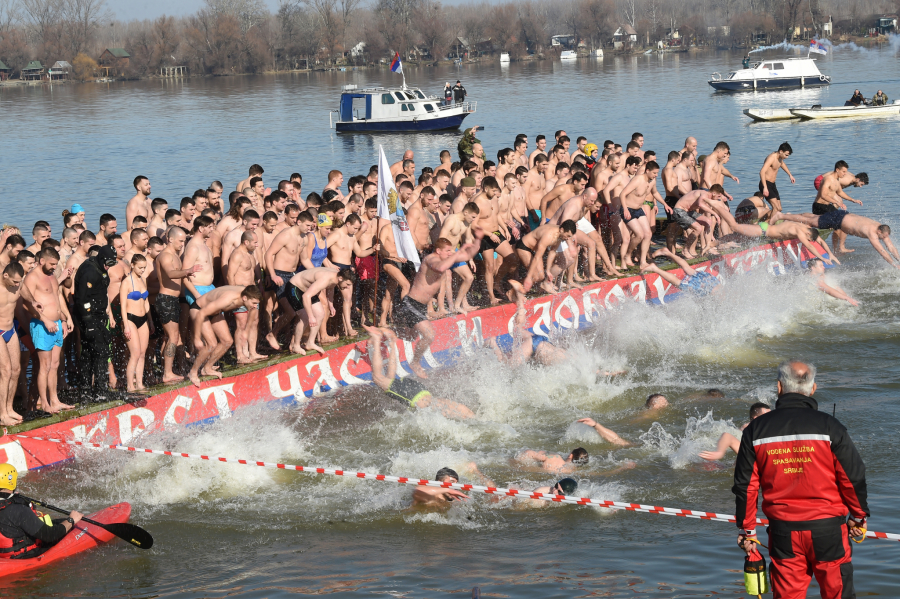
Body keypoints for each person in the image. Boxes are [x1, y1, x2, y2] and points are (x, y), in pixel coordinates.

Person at [734, 360, 868, 599]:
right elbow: (852, 477)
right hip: (829, 531)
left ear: (779, 387)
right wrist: (858, 517)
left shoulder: (755, 430)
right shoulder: (830, 426)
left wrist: (748, 530)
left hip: (783, 533)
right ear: (813, 388)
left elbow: (746, 486)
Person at [392, 234, 482, 379]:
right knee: (429, 334)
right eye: (448, 251)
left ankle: (386, 332)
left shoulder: (445, 259)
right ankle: (415, 362)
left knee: (411, 336)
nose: (450, 253)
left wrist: (478, 239)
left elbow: (467, 255)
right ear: (438, 251)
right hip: (411, 303)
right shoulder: (431, 259)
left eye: (451, 251)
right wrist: (456, 254)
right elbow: (440, 268)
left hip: (420, 306)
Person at [363, 325, 474, 419]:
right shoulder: (459, 413)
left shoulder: (461, 410)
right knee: (378, 378)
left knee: (389, 379)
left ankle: (392, 343)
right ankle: (377, 339)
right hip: (414, 396)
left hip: (421, 390)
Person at [20, 247, 74, 414]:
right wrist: (45, 319)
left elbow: (57, 297)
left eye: (56, 264)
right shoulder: (32, 277)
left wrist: (65, 318)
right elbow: (26, 304)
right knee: (44, 366)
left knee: (55, 364)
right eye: (51, 264)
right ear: (42, 261)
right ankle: (44, 403)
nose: (54, 267)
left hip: (56, 324)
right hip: (41, 325)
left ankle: (55, 400)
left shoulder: (51, 276)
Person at [0, 463, 84, 559]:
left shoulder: (11, 506)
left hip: (5, 554)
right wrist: (71, 520)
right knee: (65, 529)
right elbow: (50, 535)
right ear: (11, 482)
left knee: (57, 522)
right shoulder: (18, 509)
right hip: (24, 556)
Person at [188, 285, 262, 386]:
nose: (255, 306)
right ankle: (192, 372)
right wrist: (197, 338)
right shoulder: (228, 299)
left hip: (215, 312)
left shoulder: (249, 295)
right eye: (254, 303)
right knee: (211, 344)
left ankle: (207, 368)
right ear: (244, 298)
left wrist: (246, 331)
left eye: (257, 303)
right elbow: (201, 314)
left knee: (227, 341)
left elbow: (253, 311)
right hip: (199, 310)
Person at [73, 245, 118, 401]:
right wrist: (88, 322)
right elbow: (81, 299)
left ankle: (87, 389)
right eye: (108, 263)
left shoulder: (101, 267)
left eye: (112, 263)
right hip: (88, 317)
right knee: (100, 352)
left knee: (91, 351)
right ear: (101, 258)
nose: (109, 266)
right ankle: (99, 390)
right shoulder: (90, 271)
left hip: (98, 315)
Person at [776, 211, 899, 268]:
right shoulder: (872, 233)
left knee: (814, 218)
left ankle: (791, 215)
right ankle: (782, 216)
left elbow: (891, 247)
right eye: (883, 237)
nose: (884, 239)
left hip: (843, 215)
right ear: (879, 232)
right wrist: (894, 265)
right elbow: (882, 251)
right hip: (839, 220)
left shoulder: (880, 228)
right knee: (811, 222)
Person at [119, 254, 152, 392]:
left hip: (143, 319)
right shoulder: (126, 282)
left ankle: (139, 383)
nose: (142, 270)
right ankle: (130, 385)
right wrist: (126, 325)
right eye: (140, 267)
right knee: (135, 353)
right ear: (132, 265)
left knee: (143, 353)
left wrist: (150, 321)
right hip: (130, 319)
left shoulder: (143, 279)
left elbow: (146, 302)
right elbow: (122, 306)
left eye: (144, 267)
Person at [698, 402, 771, 460]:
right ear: (756, 419)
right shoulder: (748, 427)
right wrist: (719, 452)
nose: (771, 417)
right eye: (768, 416)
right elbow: (727, 436)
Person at [0, 263, 25, 425]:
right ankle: (2, 415)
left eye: (19, 281)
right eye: (15, 281)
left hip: (11, 329)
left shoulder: (18, 283)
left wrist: (33, 302)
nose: (17, 285)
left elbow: (24, 290)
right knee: (6, 370)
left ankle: (9, 409)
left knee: (16, 370)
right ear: (5, 275)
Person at [641, 248, 721, 297]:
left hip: (712, 281)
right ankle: (655, 268)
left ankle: (667, 252)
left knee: (689, 269)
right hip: (705, 288)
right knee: (678, 283)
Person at [758, 142, 795, 212]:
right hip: (765, 184)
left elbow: (782, 164)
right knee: (776, 208)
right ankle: (766, 218)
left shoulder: (780, 158)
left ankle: (766, 218)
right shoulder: (772, 158)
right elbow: (762, 172)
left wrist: (790, 175)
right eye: (786, 155)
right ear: (781, 151)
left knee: (779, 209)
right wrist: (765, 187)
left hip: (772, 185)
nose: (787, 157)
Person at [514, 447, 589, 474]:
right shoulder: (573, 471)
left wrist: (515, 461)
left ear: (570, 455)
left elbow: (529, 453)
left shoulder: (555, 457)